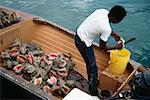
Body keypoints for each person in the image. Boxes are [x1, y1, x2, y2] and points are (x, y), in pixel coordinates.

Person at [75, 5, 127, 96]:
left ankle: (93, 81)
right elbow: (102, 47)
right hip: (83, 42)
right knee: (92, 67)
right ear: (115, 19)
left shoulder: (102, 11)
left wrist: (114, 34)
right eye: (119, 20)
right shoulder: (106, 29)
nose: (119, 22)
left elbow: (101, 24)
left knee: (90, 65)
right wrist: (116, 47)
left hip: (79, 33)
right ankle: (93, 91)